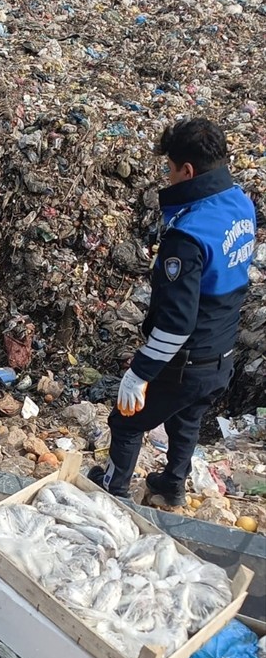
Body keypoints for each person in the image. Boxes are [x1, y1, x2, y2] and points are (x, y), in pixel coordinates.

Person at [88, 117, 256, 505]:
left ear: (188, 171)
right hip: (222, 354)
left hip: (188, 360)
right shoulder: (241, 204)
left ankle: (113, 493)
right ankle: (171, 485)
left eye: (169, 168)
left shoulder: (187, 236)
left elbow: (178, 323)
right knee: (187, 417)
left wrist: (140, 372)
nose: (167, 175)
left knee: (126, 421)